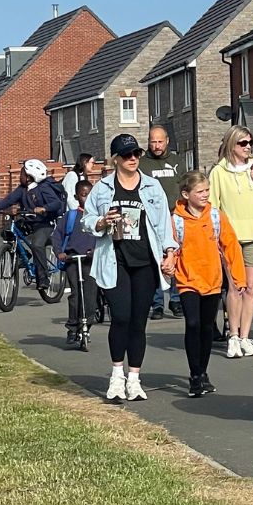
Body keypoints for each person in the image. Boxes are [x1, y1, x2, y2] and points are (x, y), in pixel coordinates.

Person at [83, 133, 178, 403]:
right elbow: (87, 220)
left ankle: (134, 378)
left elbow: (163, 223)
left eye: (136, 153)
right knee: (121, 317)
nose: (133, 159)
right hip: (115, 260)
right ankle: (116, 376)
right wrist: (101, 222)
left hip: (145, 261)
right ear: (116, 159)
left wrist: (170, 253)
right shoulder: (102, 188)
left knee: (139, 321)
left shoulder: (151, 187)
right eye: (127, 155)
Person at [172, 170, 246, 398]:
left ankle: (203, 372)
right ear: (186, 194)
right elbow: (171, 247)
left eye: (207, 190)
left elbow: (231, 246)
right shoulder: (176, 220)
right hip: (187, 281)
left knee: (206, 328)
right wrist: (168, 267)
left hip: (213, 281)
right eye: (200, 191)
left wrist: (238, 277)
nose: (205, 195)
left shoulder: (215, 216)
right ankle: (195, 376)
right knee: (192, 324)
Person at [209, 124, 253, 358]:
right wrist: (216, 238)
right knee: (235, 287)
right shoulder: (219, 172)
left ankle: (245, 335)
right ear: (231, 145)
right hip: (230, 237)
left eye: (250, 142)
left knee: (252, 288)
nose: (247, 147)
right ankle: (232, 335)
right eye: (242, 143)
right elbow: (213, 206)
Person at [0, 159, 64, 288]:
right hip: (28, 221)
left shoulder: (44, 187)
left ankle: (43, 278)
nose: (20, 176)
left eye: (22, 174)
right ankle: (21, 256)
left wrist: (44, 208)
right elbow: (9, 200)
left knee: (37, 245)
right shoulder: (22, 190)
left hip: (44, 223)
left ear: (30, 177)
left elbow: (56, 203)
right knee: (7, 231)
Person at [140, 127, 184, 318]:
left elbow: (185, 187)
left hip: (175, 216)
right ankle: (157, 303)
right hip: (153, 218)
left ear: (167, 141)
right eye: (153, 142)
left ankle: (176, 300)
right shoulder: (142, 164)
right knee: (156, 259)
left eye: (160, 141)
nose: (156, 146)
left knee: (174, 257)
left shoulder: (176, 162)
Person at [52, 178, 98, 344]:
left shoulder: (98, 217)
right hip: (73, 260)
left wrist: (96, 251)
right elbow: (57, 236)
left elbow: (104, 238)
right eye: (83, 195)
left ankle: (86, 325)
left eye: (90, 194)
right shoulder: (70, 216)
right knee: (76, 294)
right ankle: (72, 327)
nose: (87, 198)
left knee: (90, 295)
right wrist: (59, 252)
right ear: (77, 196)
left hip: (90, 260)